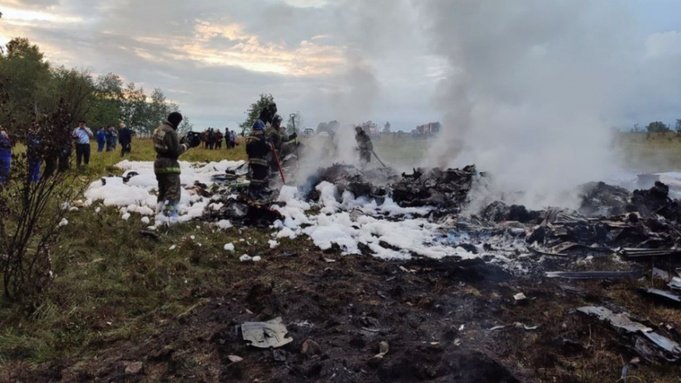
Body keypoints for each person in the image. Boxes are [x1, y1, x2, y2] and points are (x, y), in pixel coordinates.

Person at [153, 112, 197, 222]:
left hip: (159, 163)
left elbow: (166, 146)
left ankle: (158, 213)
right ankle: (168, 217)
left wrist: (179, 143)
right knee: (173, 192)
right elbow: (175, 151)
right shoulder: (171, 132)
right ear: (176, 121)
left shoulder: (158, 129)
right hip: (169, 165)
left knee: (162, 191)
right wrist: (187, 145)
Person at [246, 103, 277, 199]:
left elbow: (247, 150)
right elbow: (266, 147)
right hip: (261, 162)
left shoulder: (250, 138)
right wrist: (270, 145)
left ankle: (252, 191)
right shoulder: (261, 138)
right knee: (261, 177)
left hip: (252, 161)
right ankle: (258, 192)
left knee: (255, 177)